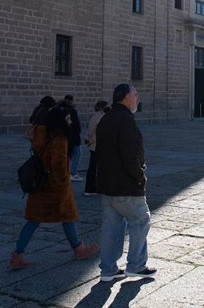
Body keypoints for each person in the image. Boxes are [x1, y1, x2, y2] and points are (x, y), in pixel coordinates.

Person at [9, 104, 99, 270]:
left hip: (40, 185)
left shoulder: (42, 135)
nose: (70, 120)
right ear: (62, 120)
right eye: (68, 118)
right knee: (67, 216)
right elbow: (58, 166)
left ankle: (17, 256)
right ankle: (79, 249)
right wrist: (64, 187)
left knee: (34, 220)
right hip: (54, 189)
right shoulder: (60, 139)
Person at [96, 84, 156, 282]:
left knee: (111, 226)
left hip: (107, 184)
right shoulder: (126, 121)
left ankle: (108, 269)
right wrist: (139, 176)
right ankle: (136, 265)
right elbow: (131, 154)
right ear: (124, 98)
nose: (138, 98)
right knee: (141, 220)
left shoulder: (106, 118)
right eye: (135, 95)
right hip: (125, 184)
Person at [83, 100, 109, 196]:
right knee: (94, 168)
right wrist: (91, 140)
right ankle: (90, 189)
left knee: (96, 167)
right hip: (96, 145)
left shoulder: (98, 116)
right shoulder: (99, 116)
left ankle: (95, 188)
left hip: (96, 145)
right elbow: (91, 131)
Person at [61, 95, 83, 182]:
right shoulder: (72, 111)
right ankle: (73, 173)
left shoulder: (59, 110)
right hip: (73, 136)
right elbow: (76, 124)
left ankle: (66, 172)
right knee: (77, 154)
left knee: (66, 155)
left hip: (63, 136)